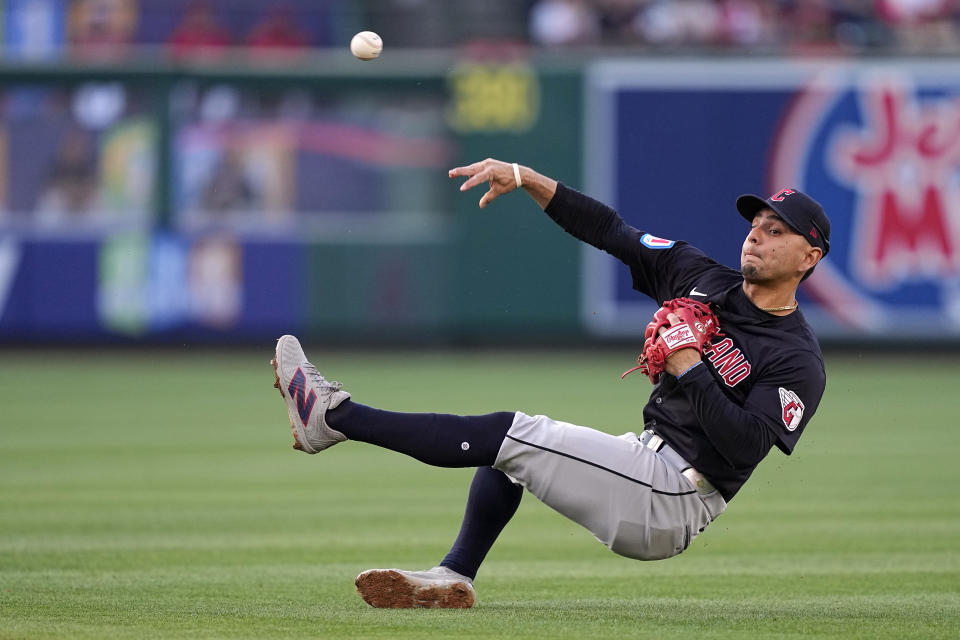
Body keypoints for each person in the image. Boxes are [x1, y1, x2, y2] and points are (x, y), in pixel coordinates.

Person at [270, 158, 830, 608]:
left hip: (677, 498)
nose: (755, 237)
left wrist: (689, 364)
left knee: (512, 433)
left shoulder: (796, 359)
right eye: (755, 225)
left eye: (774, 231)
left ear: (809, 256)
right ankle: (453, 575)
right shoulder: (703, 277)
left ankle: (334, 417)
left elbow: (744, 447)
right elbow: (612, 231)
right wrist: (529, 179)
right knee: (511, 456)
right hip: (644, 459)